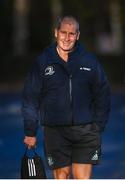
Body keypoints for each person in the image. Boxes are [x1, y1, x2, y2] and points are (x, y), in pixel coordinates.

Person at [22, 15, 110, 179]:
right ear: (56, 32)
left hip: (86, 131)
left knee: (81, 177)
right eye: (64, 32)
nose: (67, 38)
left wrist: (98, 125)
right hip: (55, 132)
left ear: (78, 35)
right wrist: (30, 132)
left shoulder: (90, 61)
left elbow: (103, 93)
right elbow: (30, 98)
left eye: (72, 33)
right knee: (62, 176)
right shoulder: (42, 62)